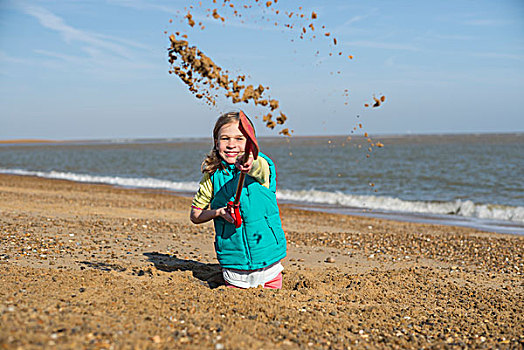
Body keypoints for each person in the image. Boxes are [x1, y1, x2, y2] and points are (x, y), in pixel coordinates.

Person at [190, 111, 287, 289]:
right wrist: (218, 212)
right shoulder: (212, 176)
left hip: (269, 263)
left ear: (250, 143)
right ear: (216, 142)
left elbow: (256, 164)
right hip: (233, 265)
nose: (231, 145)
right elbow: (195, 215)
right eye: (225, 138)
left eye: (239, 139)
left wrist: (248, 160)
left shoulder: (262, 167)